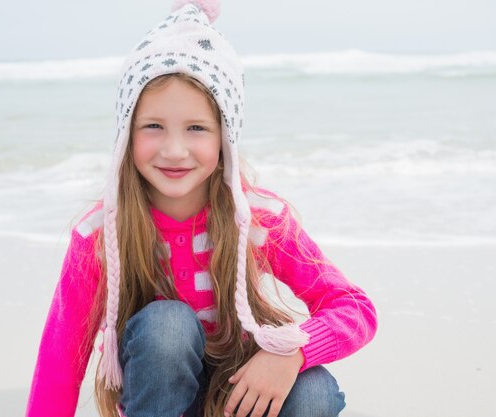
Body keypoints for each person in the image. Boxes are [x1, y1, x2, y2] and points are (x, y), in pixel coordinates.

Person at [25, 1, 378, 416]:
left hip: (236, 393)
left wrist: (291, 353)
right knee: (168, 326)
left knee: (315, 392)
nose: (175, 151)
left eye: (196, 128)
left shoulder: (259, 219)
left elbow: (354, 308)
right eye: (153, 126)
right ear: (126, 133)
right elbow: (60, 361)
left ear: (224, 137)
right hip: (156, 399)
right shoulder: (102, 234)